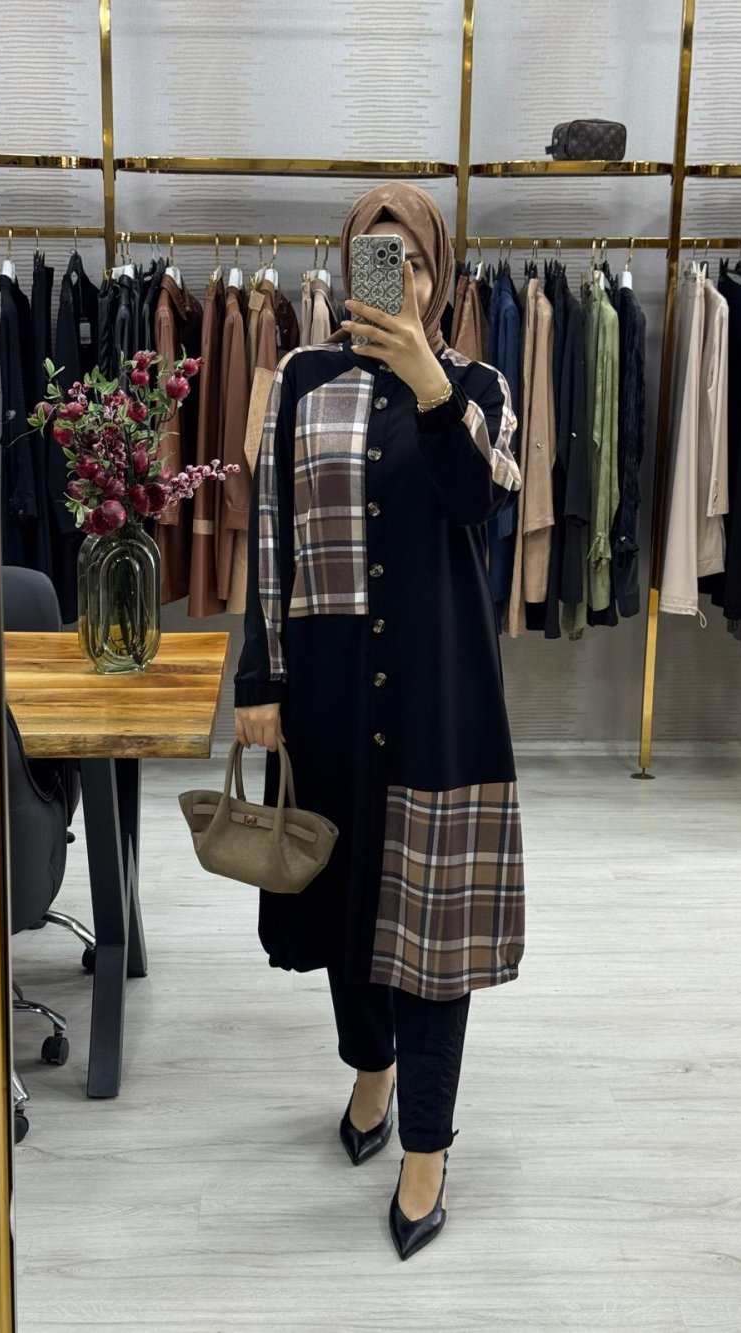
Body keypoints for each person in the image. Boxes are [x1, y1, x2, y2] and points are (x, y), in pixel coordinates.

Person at [233, 183, 526, 1260]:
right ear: (344, 263)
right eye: (372, 254)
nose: (394, 275)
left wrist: (427, 381)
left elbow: (482, 498)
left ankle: (427, 1146)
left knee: (433, 929)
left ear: (440, 274)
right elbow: (271, 537)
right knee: (345, 898)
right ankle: (372, 1065)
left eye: (412, 260)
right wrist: (258, 680)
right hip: (326, 687)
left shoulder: (480, 385)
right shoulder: (300, 379)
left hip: (442, 693)